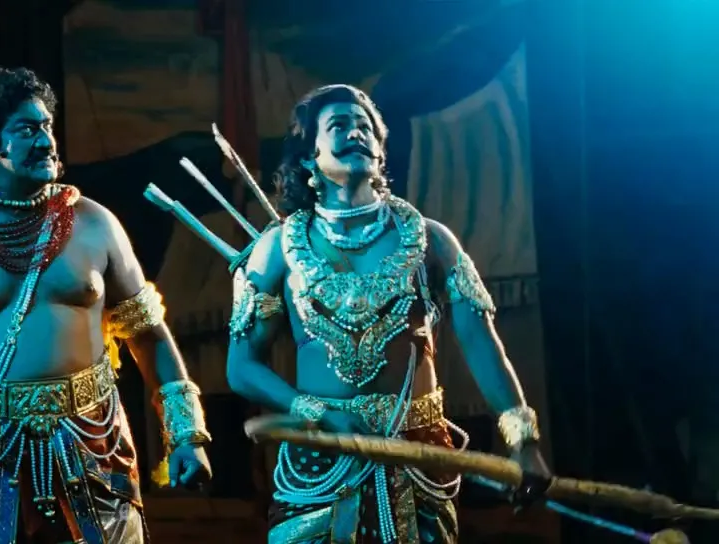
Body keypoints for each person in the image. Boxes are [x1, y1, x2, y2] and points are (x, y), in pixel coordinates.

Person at [0, 66, 213, 543]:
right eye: (28, 129)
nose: (47, 141)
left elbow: (149, 336)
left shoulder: (96, 224)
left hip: (93, 444)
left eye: (48, 126)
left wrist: (187, 435)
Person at [226, 84, 550, 543]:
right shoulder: (276, 249)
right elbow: (241, 367)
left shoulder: (432, 240)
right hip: (321, 460)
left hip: (418, 456)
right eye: (338, 126)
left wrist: (524, 441)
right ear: (308, 157)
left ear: (380, 153)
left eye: (365, 126)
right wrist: (318, 413)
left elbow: (482, 344)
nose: (355, 133)